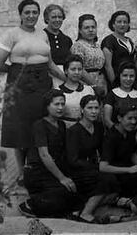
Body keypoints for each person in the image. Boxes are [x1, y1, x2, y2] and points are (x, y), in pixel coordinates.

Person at [0, 0, 66, 185]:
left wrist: (67, 79)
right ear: (20, 14)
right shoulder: (12, 34)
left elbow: (49, 63)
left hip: (43, 84)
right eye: (27, 12)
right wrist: (19, 74)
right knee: (21, 127)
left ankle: (38, 168)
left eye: (35, 12)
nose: (31, 16)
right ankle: (21, 172)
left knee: (40, 125)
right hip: (21, 86)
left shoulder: (43, 34)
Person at [19, 90, 111, 222]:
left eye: (63, 104)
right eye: (56, 104)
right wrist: (62, 177)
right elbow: (44, 155)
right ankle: (31, 205)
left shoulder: (61, 124)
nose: (61, 107)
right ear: (47, 106)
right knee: (65, 192)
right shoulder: (39, 125)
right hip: (37, 172)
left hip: (53, 171)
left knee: (76, 190)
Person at [66, 94, 118, 223]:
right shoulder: (74, 131)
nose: (94, 111)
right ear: (82, 110)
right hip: (77, 170)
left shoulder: (99, 127)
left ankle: (85, 206)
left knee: (114, 180)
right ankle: (86, 213)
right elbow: (72, 160)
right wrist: (96, 167)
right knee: (106, 179)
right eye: (90, 108)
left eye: (96, 108)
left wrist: (105, 163)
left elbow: (102, 150)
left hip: (93, 167)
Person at [70, 13, 107, 98]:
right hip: (86, 83)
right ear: (80, 30)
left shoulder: (98, 46)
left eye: (93, 27)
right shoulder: (78, 46)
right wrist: (94, 85)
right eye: (86, 28)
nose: (91, 30)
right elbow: (79, 68)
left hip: (101, 83)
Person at [58, 54, 95, 127]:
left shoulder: (89, 90)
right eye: (73, 69)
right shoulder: (58, 92)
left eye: (79, 69)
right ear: (66, 71)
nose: (77, 72)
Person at [101, 10, 136, 85]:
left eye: (125, 22)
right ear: (113, 24)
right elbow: (108, 66)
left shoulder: (129, 41)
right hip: (116, 81)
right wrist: (114, 83)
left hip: (130, 80)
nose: (122, 25)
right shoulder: (109, 41)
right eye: (119, 22)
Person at [43, 4, 72, 87]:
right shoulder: (41, 36)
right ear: (47, 19)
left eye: (60, 17)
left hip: (65, 79)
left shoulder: (67, 39)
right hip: (47, 78)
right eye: (54, 17)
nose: (57, 20)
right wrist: (68, 81)